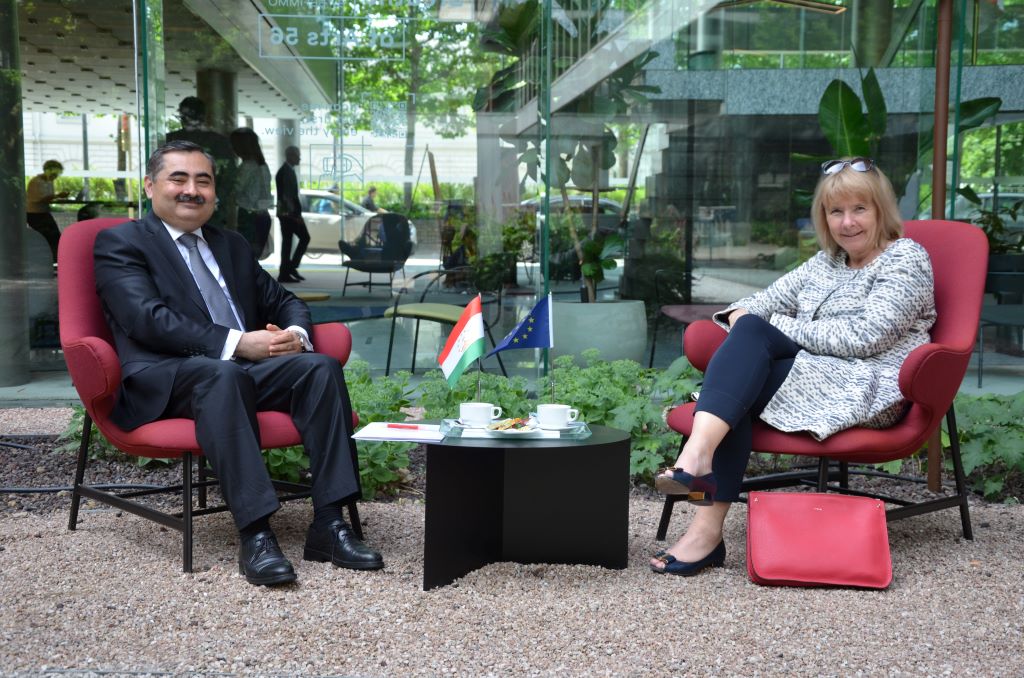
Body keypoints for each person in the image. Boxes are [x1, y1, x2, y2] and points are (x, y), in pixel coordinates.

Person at [93, 140, 383, 587]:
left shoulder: (229, 244)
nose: (192, 190)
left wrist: (295, 335)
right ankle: (256, 534)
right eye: (178, 179)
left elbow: (283, 301)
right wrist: (238, 343)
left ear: (214, 192)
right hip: (168, 377)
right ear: (150, 186)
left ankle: (329, 524)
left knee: (319, 368)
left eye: (203, 181)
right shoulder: (121, 242)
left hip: (239, 372)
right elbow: (145, 319)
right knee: (223, 373)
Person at [650, 158, 936, 576]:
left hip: (867, 386)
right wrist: (754, 319)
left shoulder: (905, 258)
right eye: (836, 211)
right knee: (745, 363)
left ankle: (701, 497)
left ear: (881, 210)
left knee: (742, 377)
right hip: (809, 374)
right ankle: (700, 478)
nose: (847, 222)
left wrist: (775, 325)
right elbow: (753, 305)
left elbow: (866, 337)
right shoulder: (826, 263)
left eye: (859, 209)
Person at [167, 96, 237, 229]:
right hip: (180, 205)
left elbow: (229, 174)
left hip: (207, 206)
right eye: (184, 115)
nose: (185, 118)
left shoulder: (218, 141)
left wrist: (217, 197)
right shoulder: (171, 139)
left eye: (189, 115)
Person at [230, 127, 273, 258]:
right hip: (263, 216)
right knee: (252, 259)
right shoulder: (263, 165)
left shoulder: (247, 166)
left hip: (248, 217)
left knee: (243, 259)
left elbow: (234, 190)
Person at [275, 146, 310, 283]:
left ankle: (286, 271)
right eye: (297, 155)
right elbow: (287, 196)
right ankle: (290, 268)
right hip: (289, 214)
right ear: (290, 156)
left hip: (286, 214)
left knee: (288, 242)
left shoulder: (286, 171)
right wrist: (295, 216)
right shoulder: (286, 172)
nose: (299, 158)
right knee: (304, 238)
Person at [26, 159, 70, 263]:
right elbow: (39, 198)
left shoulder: (49, 182)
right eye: (54, 173)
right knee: (50, 237)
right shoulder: (36, 182)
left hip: (43, 212)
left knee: (55, 237)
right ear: (47, 170)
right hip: (34, 214)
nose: (55, 176)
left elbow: (48, 197)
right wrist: (57, 196)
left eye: (57, 174)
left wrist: (57, 197)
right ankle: (52, 259)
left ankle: (55, 259)